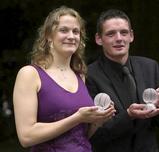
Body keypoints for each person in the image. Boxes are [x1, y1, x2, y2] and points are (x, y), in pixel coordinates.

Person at [13, 6, 115, 152]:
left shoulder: (80, 75)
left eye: (76, 31)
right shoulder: (30, 74)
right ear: (48, 36)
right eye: (64, 30)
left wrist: (97, 121)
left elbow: (81, 136)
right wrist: (78, 117)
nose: (71, 36)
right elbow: (26, 137)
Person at [86, 9, 159, 152]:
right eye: (111, 34)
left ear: (131, 36)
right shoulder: (88, 75)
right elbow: (93, 134)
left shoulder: (150, 67)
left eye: (124, 32)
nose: (119, 38)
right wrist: (128, 116)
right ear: (98, 39)